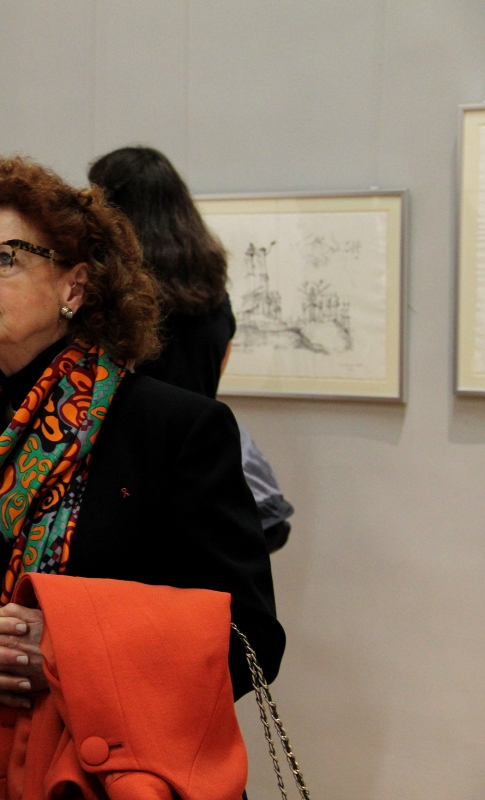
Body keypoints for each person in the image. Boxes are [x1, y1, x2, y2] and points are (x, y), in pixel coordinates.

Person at [0, 156, 285, 773]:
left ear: (73, 287)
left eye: (3, 259)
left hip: (104, 768)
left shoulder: (172, 427)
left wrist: (65, 651)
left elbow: (248, 636)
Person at [89, 145, 293, 549]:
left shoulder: (117, 300)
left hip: (136, 474)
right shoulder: (214, 294)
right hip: (206, 462)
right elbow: (215, 374)